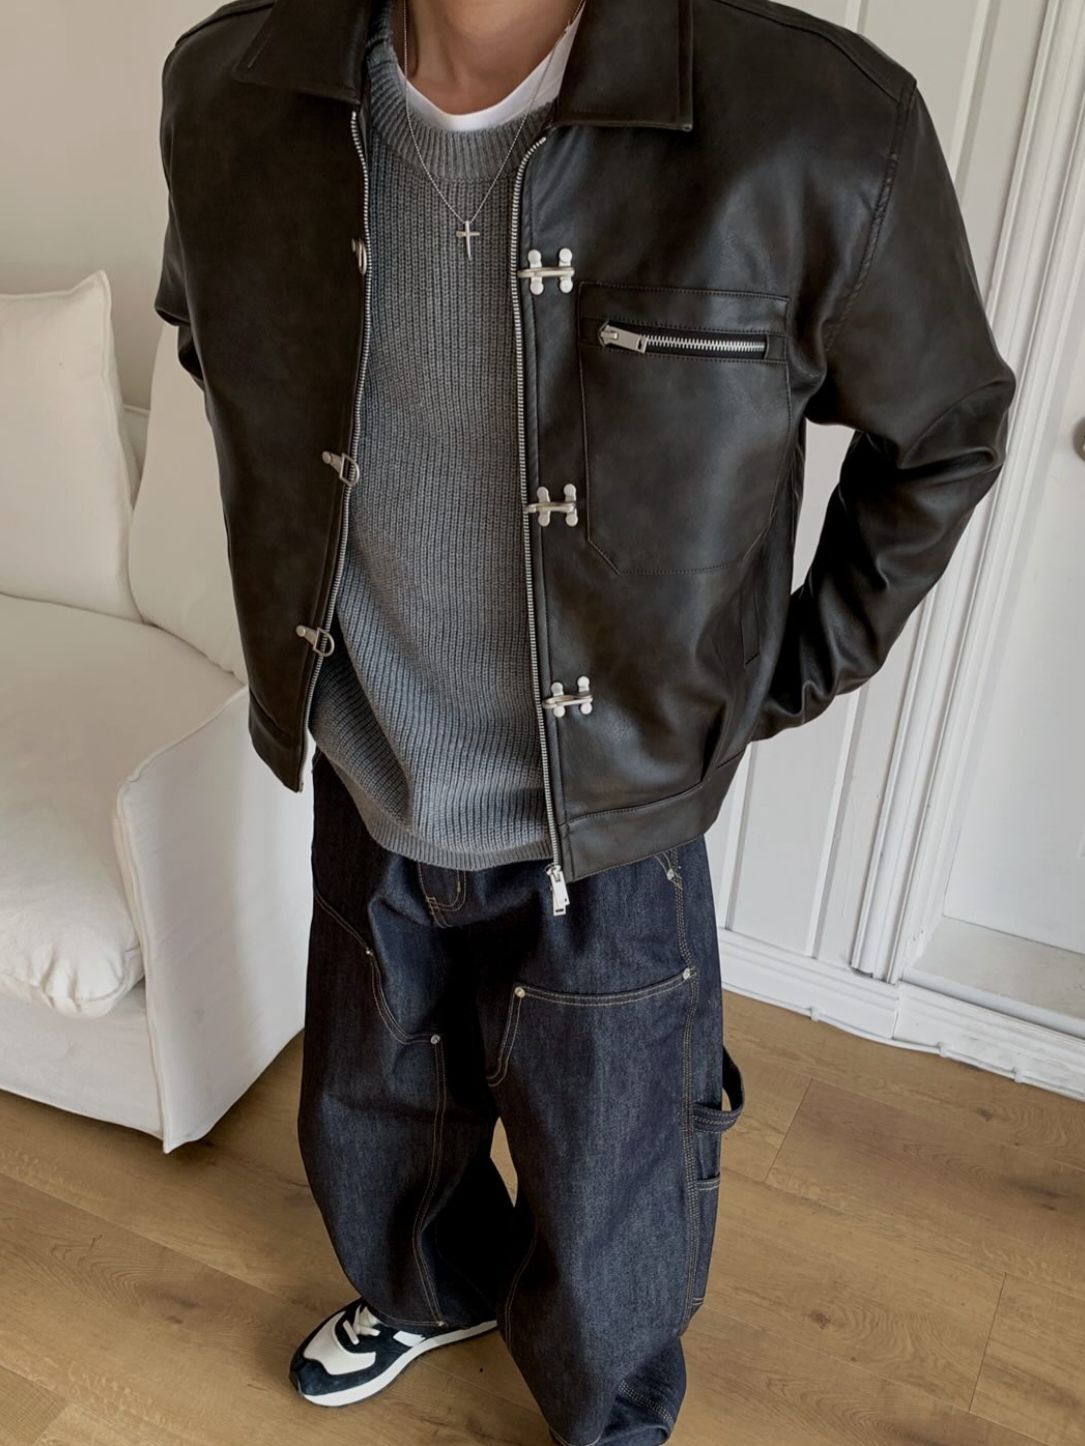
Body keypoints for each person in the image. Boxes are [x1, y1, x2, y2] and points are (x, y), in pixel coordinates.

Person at [153, 0, 1016, 1441]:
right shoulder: (229, 82)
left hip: (613, 815)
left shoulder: (813, 118)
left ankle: (607, 1413)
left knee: (614, 1174)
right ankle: (432, 1289)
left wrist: (767, 679)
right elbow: (219, 343)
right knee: (372, 1105)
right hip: (367, 757)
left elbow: (941, 430)